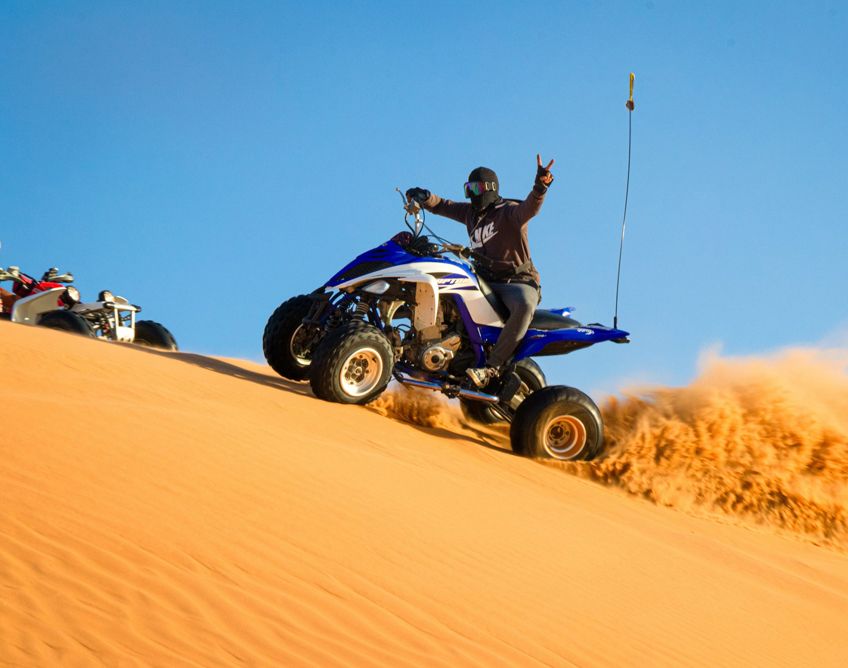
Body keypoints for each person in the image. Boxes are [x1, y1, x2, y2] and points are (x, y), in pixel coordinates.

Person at [406, 154, 554, 388]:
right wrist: (424, 197)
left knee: (525, 306)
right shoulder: (470, 214)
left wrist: (540, 187)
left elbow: (531, 208)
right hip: (483, 280)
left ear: (491, 189)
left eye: (478, 188)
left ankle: (491, 368)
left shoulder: (509, 212)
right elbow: (443, 206)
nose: (473, 194)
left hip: (517, 282)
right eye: (469, 189)